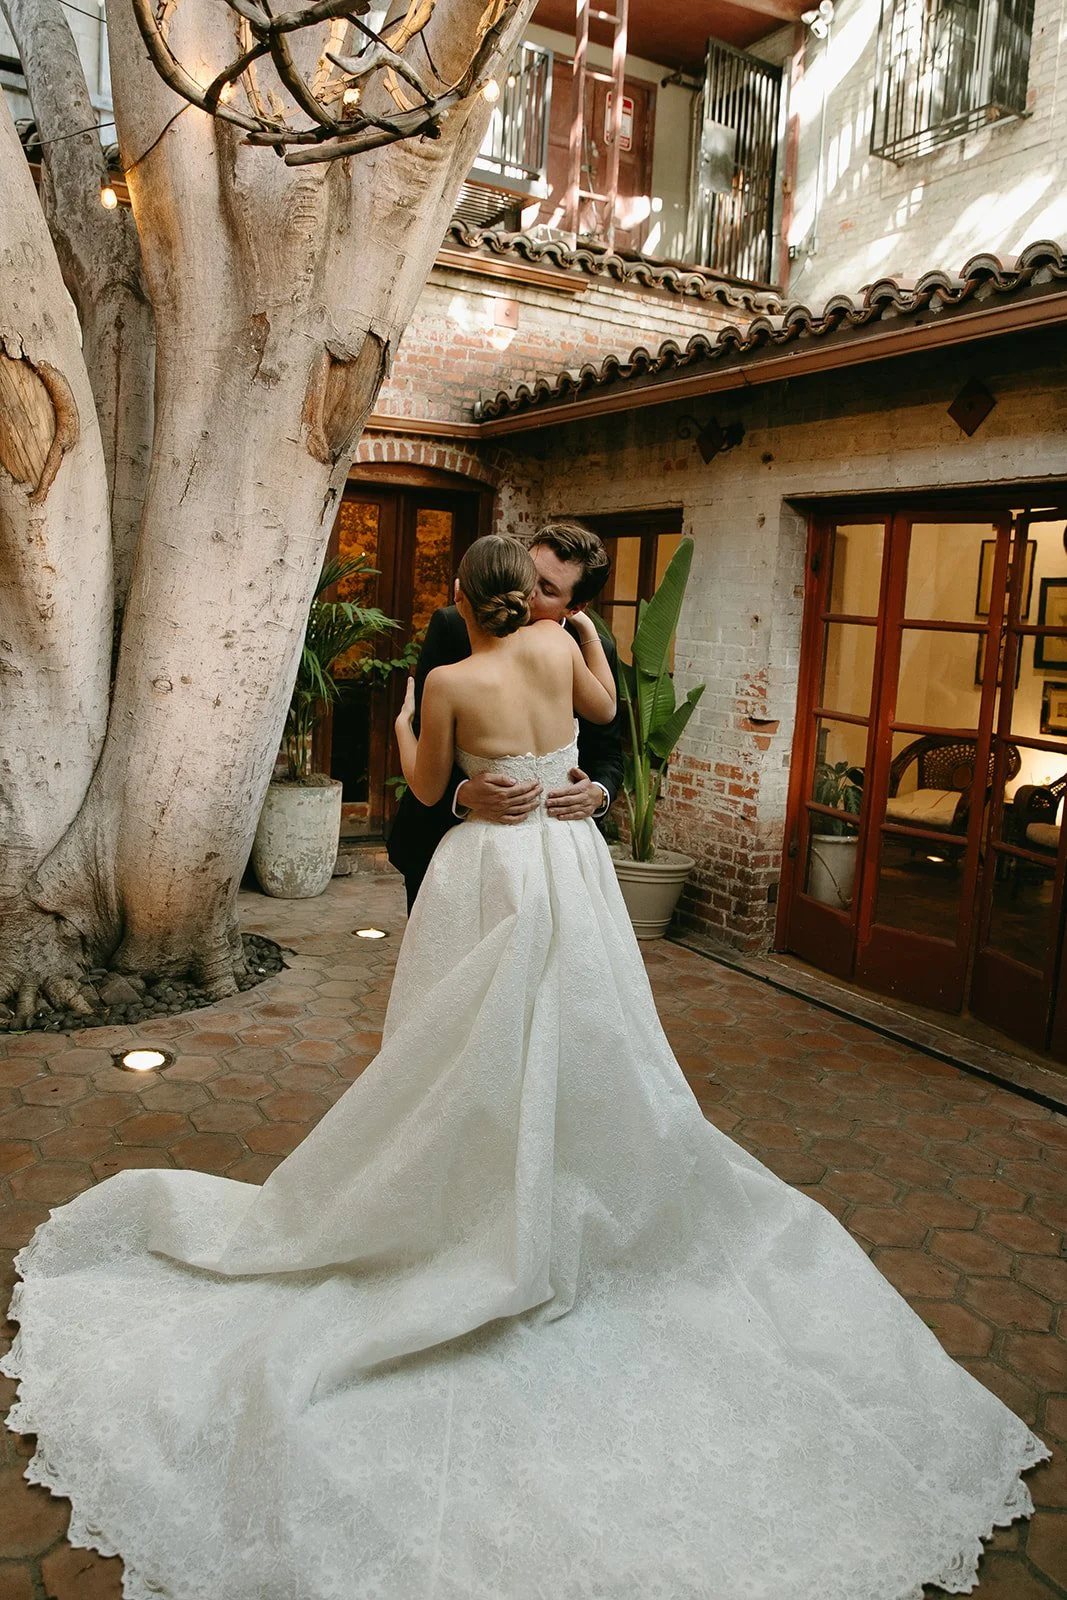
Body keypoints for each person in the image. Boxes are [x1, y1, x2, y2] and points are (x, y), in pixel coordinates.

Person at [2, 537, 1047, 1600]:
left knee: (472, 1038)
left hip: (493, 872)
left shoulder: (450, 679)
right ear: (528, 593)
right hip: (567, 865)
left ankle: (481, 1187)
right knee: (566, 1022)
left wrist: (416, 727)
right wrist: (559, 769)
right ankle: (533, 1178)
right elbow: (590, 723)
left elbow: (421, 777)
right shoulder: (560, 651)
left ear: (463, 595)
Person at [387, 517, 623, 911]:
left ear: (576, 606)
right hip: (455, 845)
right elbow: (428, 742)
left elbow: (609, 749)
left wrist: (598, 794)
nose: (526, 594)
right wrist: (463, 794)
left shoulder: (589, 645)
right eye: (529, 573)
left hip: (560, 859)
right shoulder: (451, 626)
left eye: (546, 589)